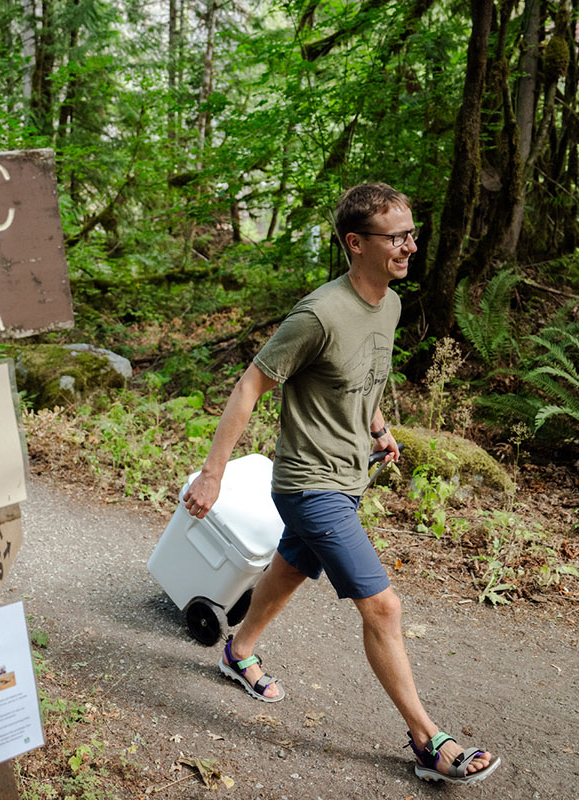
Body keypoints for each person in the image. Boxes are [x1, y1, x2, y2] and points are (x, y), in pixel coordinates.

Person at [181, 182, 501, 786]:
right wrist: (213, 473)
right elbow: (251, 385)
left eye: (411, 234)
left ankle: (237, 651)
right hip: (308, 483)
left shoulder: (392, 306)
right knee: (382, 605)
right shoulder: (318, 314)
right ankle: (427, 740)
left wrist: (377, 427)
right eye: (396, 237)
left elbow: (363, 377)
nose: (409, 246)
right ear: (357, 244)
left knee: (289, 570)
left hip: (350, 473)